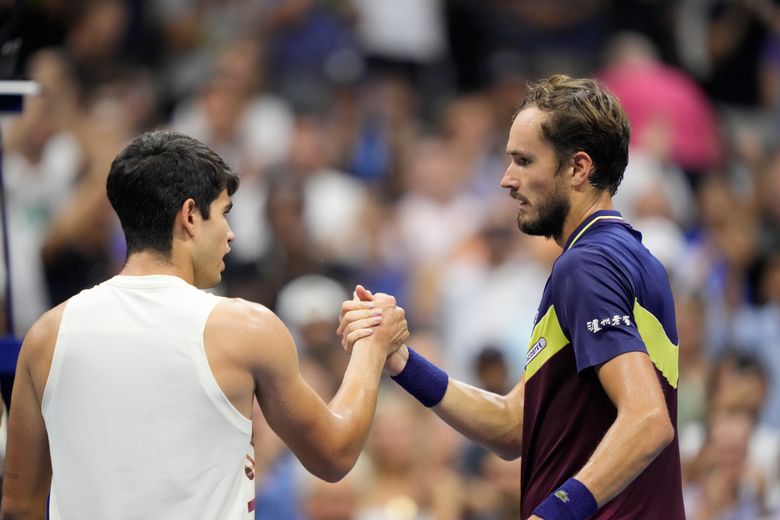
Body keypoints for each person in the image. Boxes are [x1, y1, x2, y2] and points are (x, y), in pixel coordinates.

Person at [0, 130, 408, 520]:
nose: (230, 235)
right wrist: (371, 347)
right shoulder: (246, 329)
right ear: (191, 216)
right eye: (224, 214)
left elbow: (18, 508)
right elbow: (334, 454)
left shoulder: (46, 335)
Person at [339, 74, 684, 519]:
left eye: (524, 161)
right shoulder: (629, 258)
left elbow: (648, 420)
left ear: (578, 168)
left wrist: (552, 513)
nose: (506, 180)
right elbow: (514, 424)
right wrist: (401, 360)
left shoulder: (587, 265)